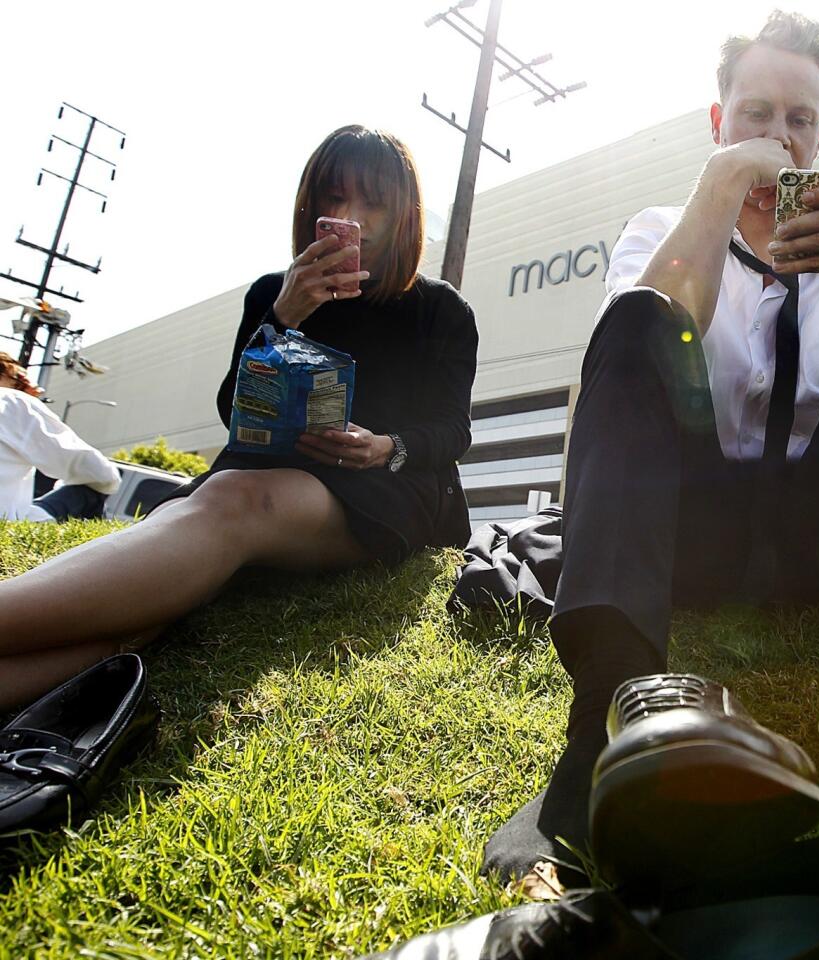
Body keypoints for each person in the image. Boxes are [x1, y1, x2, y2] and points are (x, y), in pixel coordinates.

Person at [481, 11, 819, 887]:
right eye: (756, 115)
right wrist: (722, 190)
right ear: (716, 122)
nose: (778, 138)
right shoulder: (662, 228)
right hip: (690, 538)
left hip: (816, 541)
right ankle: (597, 734)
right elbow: (637, 350)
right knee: (636, 318)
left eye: (799, 119)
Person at [0, 125, 478, 711]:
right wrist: (284, 317)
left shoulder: (440, 309)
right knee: (144, 614)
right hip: (262, 474)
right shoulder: (274, 294)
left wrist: (383, 447)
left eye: (372, 202)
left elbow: (454, 431)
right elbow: (234, 412)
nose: (349, 217)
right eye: (333, 197)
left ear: (404, 213)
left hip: (379, 491)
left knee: (235, 503)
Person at [0, 351, 121, 522]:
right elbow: (100, 473)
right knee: (91, 492)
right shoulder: (12, 401)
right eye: (19, 380)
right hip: (8, 526)